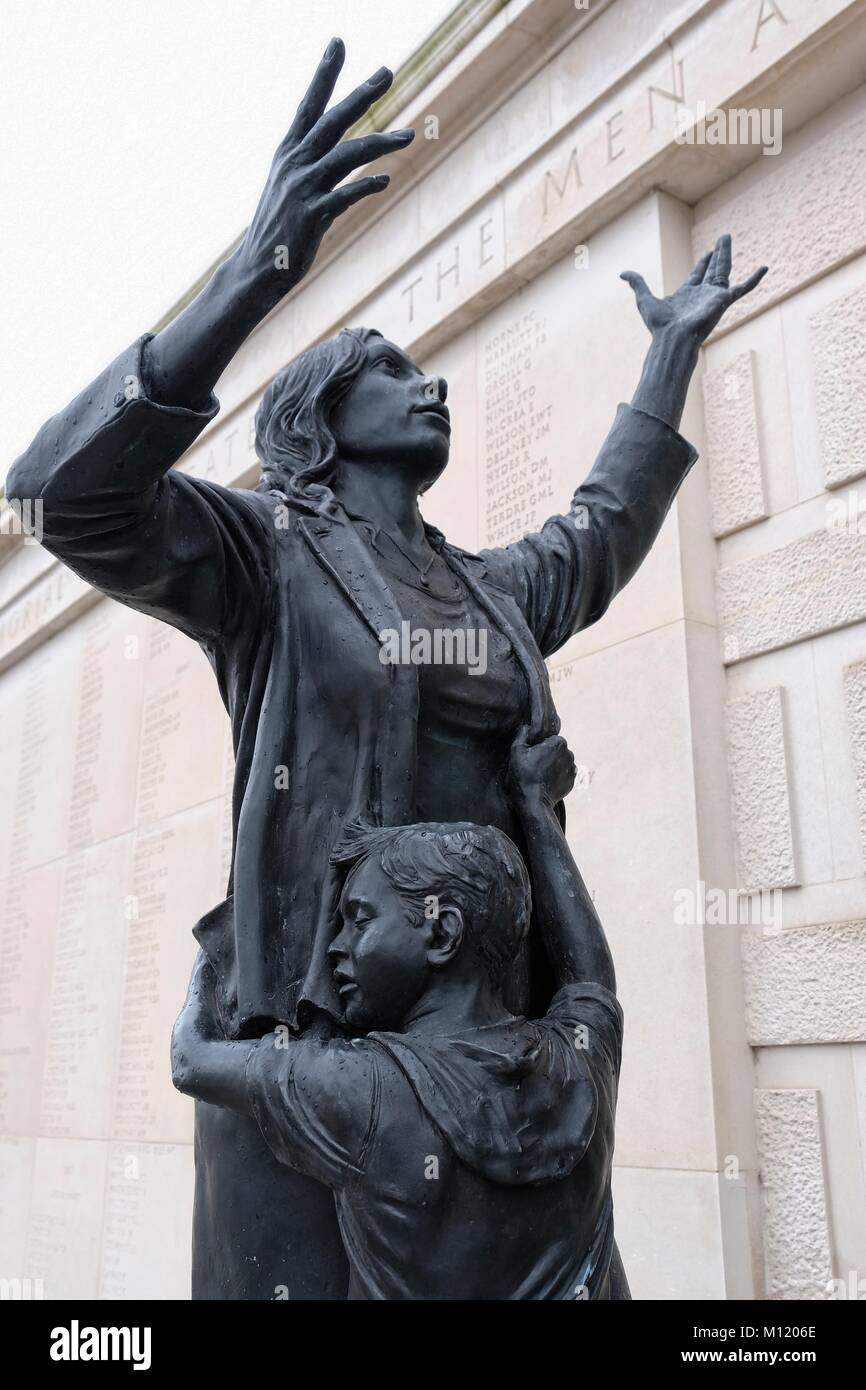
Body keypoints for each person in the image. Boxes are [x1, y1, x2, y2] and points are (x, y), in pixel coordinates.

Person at [5, 37, 767, 1297]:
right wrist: (256, 271)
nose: (433, 386)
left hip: (487, 1051)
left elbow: (595, 536)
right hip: (317, 1038)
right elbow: (60, 497)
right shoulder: (265, 558)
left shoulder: (482, 587)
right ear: (320, 413)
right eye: (395, 373)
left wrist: (665, 363)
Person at [172, 732, 625, 1300]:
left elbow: (190, 1059)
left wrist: (219, 950)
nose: (334, 947)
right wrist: (536, 807)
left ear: (441, 932)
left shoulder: (364, 1088)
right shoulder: (581, 1062)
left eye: (359, 920)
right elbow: (589, 972)